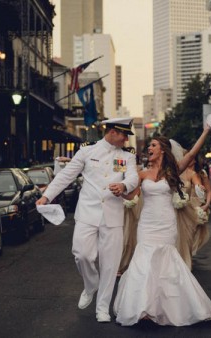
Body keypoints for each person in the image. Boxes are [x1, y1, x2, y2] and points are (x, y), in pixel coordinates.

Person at [35, 117, 139, 323]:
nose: (126, 140)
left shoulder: (126, 157)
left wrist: (124, 186)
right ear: (113, 132)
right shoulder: (87, 151)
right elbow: (66, 176)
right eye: (124, 135)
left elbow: (133, 178)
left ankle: (102, 308)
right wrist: (47, 196)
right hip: (87, 214)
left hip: (113, 216)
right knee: (82, 254)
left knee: (110, 265)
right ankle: (91, 285)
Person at [113, 125, 211, 326]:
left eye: (153, 145)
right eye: (149, 146)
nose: (149, 148)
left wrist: (205, 132)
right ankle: (144, 308)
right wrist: (120, 192)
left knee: (166, 263)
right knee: (144, 262)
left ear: (162, 149)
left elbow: (193, 152)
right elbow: (132, 195)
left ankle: (170, 307)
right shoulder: (141, 174)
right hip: (147, 224)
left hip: (166, 224)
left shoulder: (173, 171)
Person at [176, 152, 210, 270]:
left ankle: (187, 258)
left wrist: (205, 201)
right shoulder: (175, 172)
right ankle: (178, 259)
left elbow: (203, 188)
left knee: (189, 235)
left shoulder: (195, 174)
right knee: (177, 235)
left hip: (191, 207)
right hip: (177, 207)